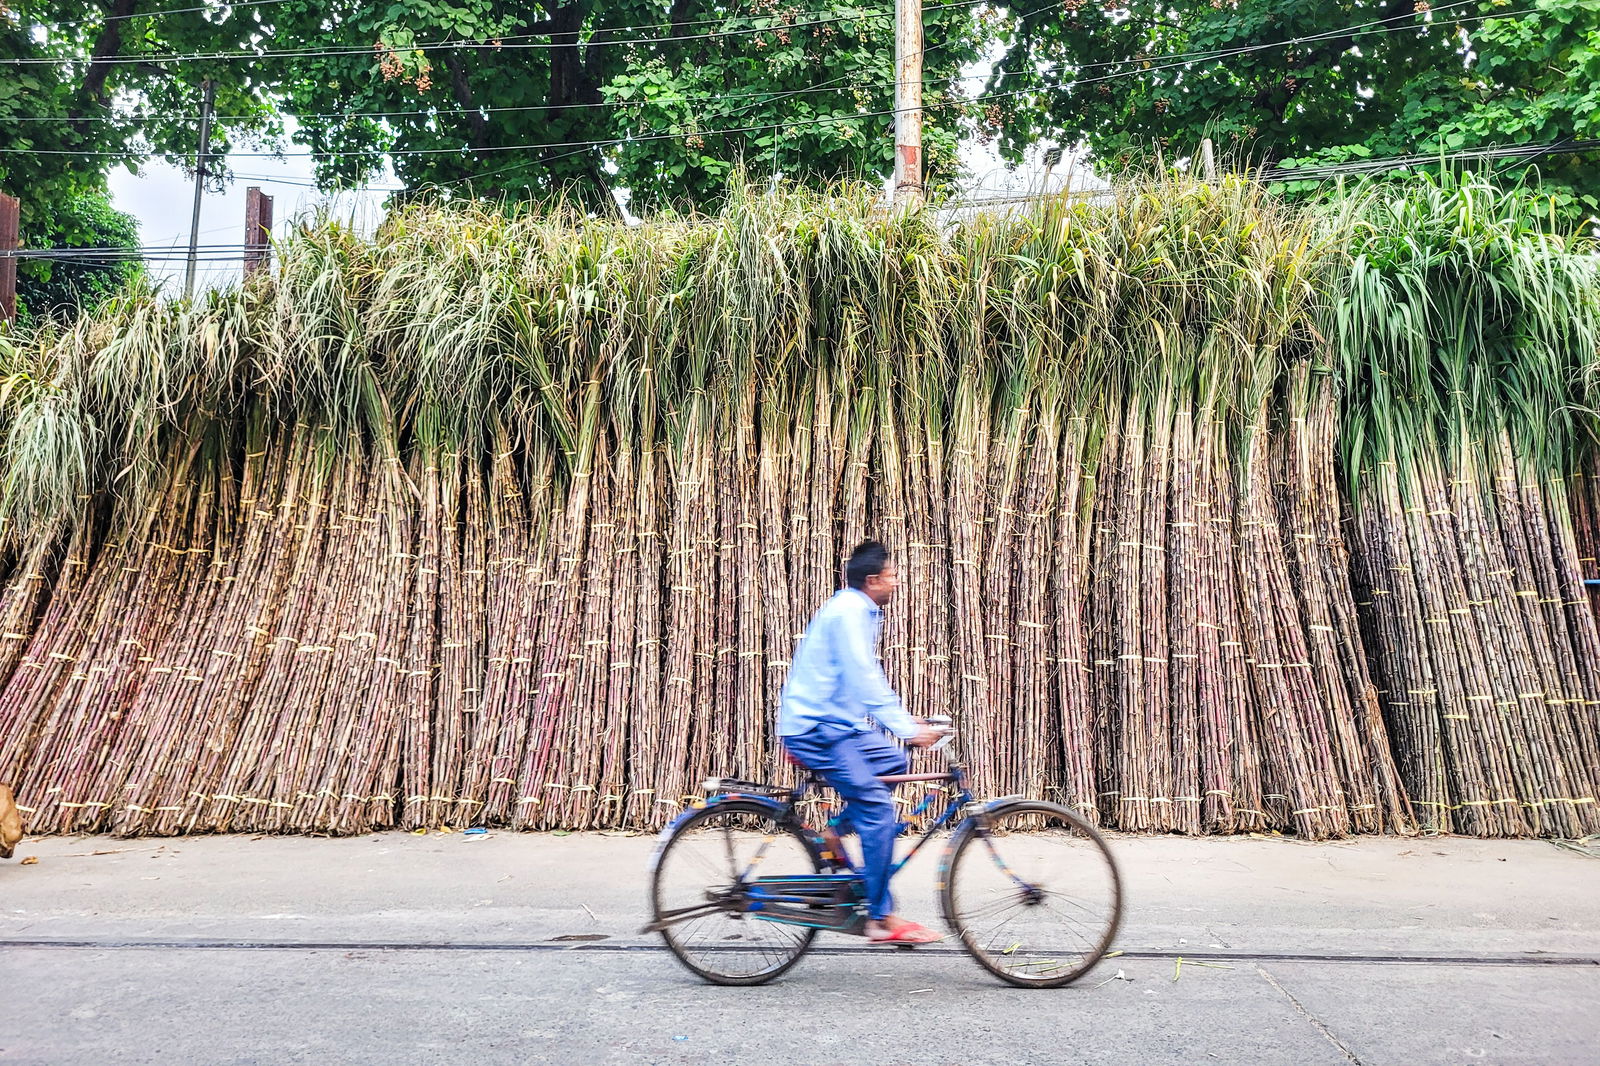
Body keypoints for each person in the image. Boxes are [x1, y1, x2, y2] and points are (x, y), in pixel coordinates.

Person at [778, 540, 942, 945]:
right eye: (892, 575)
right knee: (877, 810)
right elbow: (864, 678)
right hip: (816, 729)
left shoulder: (859, 610)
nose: (897, 581)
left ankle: (834, 831)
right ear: (872, 580)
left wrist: (904, 726)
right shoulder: (851, 611)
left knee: (892, 763)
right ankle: (880, 918)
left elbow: (859, 681)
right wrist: (907, 727)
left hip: (840, 726)